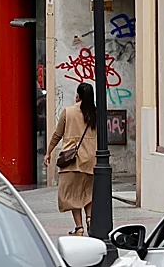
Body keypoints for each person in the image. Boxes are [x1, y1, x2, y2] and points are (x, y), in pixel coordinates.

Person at [44, 82, 97, 236]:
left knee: (73, 195)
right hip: (91, 159)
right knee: (87, 192)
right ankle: (89, 218)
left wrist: (48, 152)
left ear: (78, 96)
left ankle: (79, 227)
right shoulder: (95, 114)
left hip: (72, 159)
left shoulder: (68, 112)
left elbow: (57, 134)